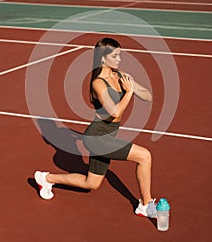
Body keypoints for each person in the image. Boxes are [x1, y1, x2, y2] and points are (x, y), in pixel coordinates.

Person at [34, 37, 157, 218]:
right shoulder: (98, 83)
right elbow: (114, 112)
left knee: (91, 183)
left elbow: (148, 97)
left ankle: (45, 178)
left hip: (108, 134)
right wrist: (129, 92)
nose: (119, 60)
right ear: (102, 58)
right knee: (144, 156)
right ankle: (145, 205)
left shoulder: (119, 76)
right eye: (115, 56)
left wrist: (134, 86)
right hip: (97, 137)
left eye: (120, 55)